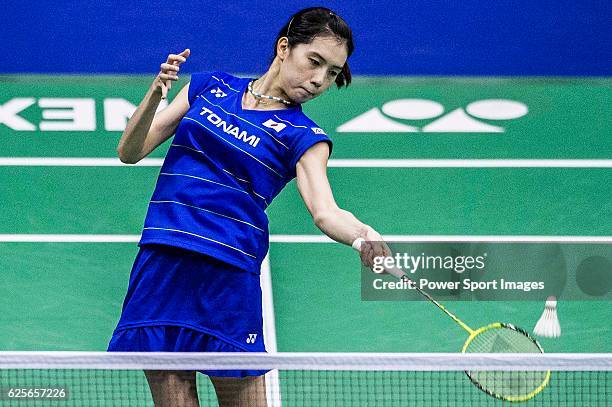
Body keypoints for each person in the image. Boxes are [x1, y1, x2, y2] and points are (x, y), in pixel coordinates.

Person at [108, 7, 390, 407]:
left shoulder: (304, 136)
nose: (319, 80)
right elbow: (129, 151)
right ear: (284, 48)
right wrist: (154, 94)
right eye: (315, 62)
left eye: (331, 73)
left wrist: (364, 236)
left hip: (227, 274)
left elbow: (326, 211)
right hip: (163, 260)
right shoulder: (209, 86)